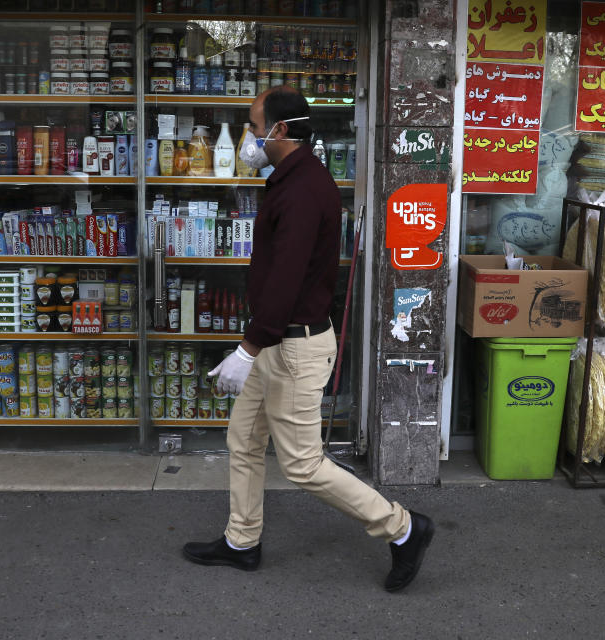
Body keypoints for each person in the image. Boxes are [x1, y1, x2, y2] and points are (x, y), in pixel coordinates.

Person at [181, 86, 434, 592]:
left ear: (279, 131)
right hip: (278, 341)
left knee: (303, 464)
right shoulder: (294, 178)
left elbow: (286, 278)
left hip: (291, 347)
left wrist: (247, 348)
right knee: (245, 438)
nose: (250, 138)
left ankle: (403, 529)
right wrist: (256, 345)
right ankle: (241, 542)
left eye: (254, 128)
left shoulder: (301, 190)